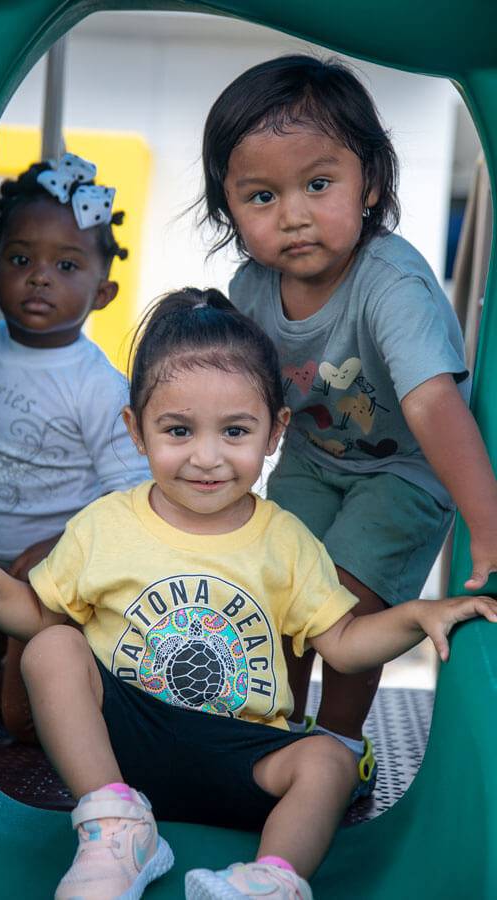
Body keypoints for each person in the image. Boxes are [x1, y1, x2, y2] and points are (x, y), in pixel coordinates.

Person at [0, 288, 496, 900]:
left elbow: (342, 644)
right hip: (124, 747)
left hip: (244, 757)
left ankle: (269, 881)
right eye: (178, 430)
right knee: (51, 647)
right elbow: (37, 614)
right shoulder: (105, 525)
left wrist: (417, 616)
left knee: (329, 762)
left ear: (274, 432)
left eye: (235, 431)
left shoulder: (284, 541)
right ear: (135, 430)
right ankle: (116, 830)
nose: (206, 459)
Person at [198, 54, 497, 791]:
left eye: (318, 184)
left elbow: (432, 403)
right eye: (262, 195)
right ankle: (278, 731)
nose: (293, 214)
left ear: (371, 184)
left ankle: (340, 744)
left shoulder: (388, 281)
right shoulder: (251, 286)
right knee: (279, 590)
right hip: (313, 457)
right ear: (229, 209)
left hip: (402, 468)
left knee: (348, 603)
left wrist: (486, 529)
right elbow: (246, 401)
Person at [0, 153, 150, 739]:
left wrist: (59, 544)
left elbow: (133, 492)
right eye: (21, 259)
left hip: (45, 582)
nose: (40, 276)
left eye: (66, 264)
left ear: (103, 292)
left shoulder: (97, 386)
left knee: (25, 720)